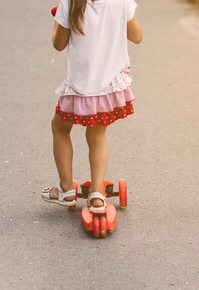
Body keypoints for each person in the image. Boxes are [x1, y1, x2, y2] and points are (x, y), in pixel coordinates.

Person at [41, 0, 143, 213]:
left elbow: (58, 44)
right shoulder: (122, 2)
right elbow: (137, 36)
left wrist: (57, 20)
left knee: (60, 128)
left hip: (80, 87)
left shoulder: (70, 3)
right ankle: (97, 194)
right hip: (108, 87)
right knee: (97, 137)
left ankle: (66, 188)